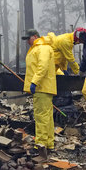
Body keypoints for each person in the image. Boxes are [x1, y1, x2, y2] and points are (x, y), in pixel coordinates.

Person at [22, 28, 56, 158]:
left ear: (35, 36)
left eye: (28, 39)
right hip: (43, 87)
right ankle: (48, 144)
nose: (27, 42)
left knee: (41, 116)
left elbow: (42, 66)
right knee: (47, 116)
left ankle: (40, 145)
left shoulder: (42, 48)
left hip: (41, 87)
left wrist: (34, 82)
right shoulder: (40, 48)